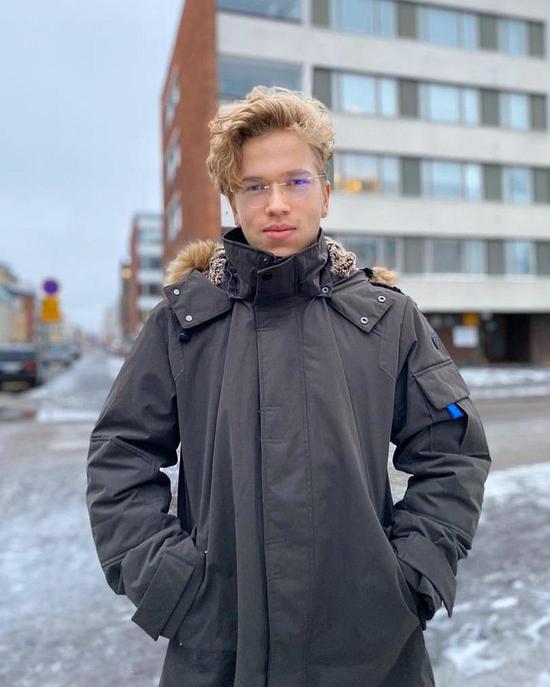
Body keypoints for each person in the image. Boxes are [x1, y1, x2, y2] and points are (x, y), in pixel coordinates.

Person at [86, 86, 491, 687]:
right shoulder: (181, 324)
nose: (276, 203)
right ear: (233, 200)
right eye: (254, 186)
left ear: (324, 194)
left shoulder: (388, 320)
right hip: (218, 646)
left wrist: (410, 574)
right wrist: (168, 580)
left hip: (372, 649)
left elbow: (453, 454)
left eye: (295, 182)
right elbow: (120, 453)